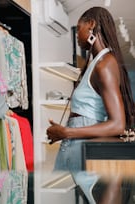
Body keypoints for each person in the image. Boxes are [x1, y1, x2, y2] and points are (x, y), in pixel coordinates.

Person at [46, 7, 135, 204]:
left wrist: (65, 133)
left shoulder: (105, 63)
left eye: (79, 28)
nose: (77, 35)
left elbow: (117, 124)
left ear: (91, 25)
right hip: (82, 154)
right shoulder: (98, 62)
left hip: (90, 156)